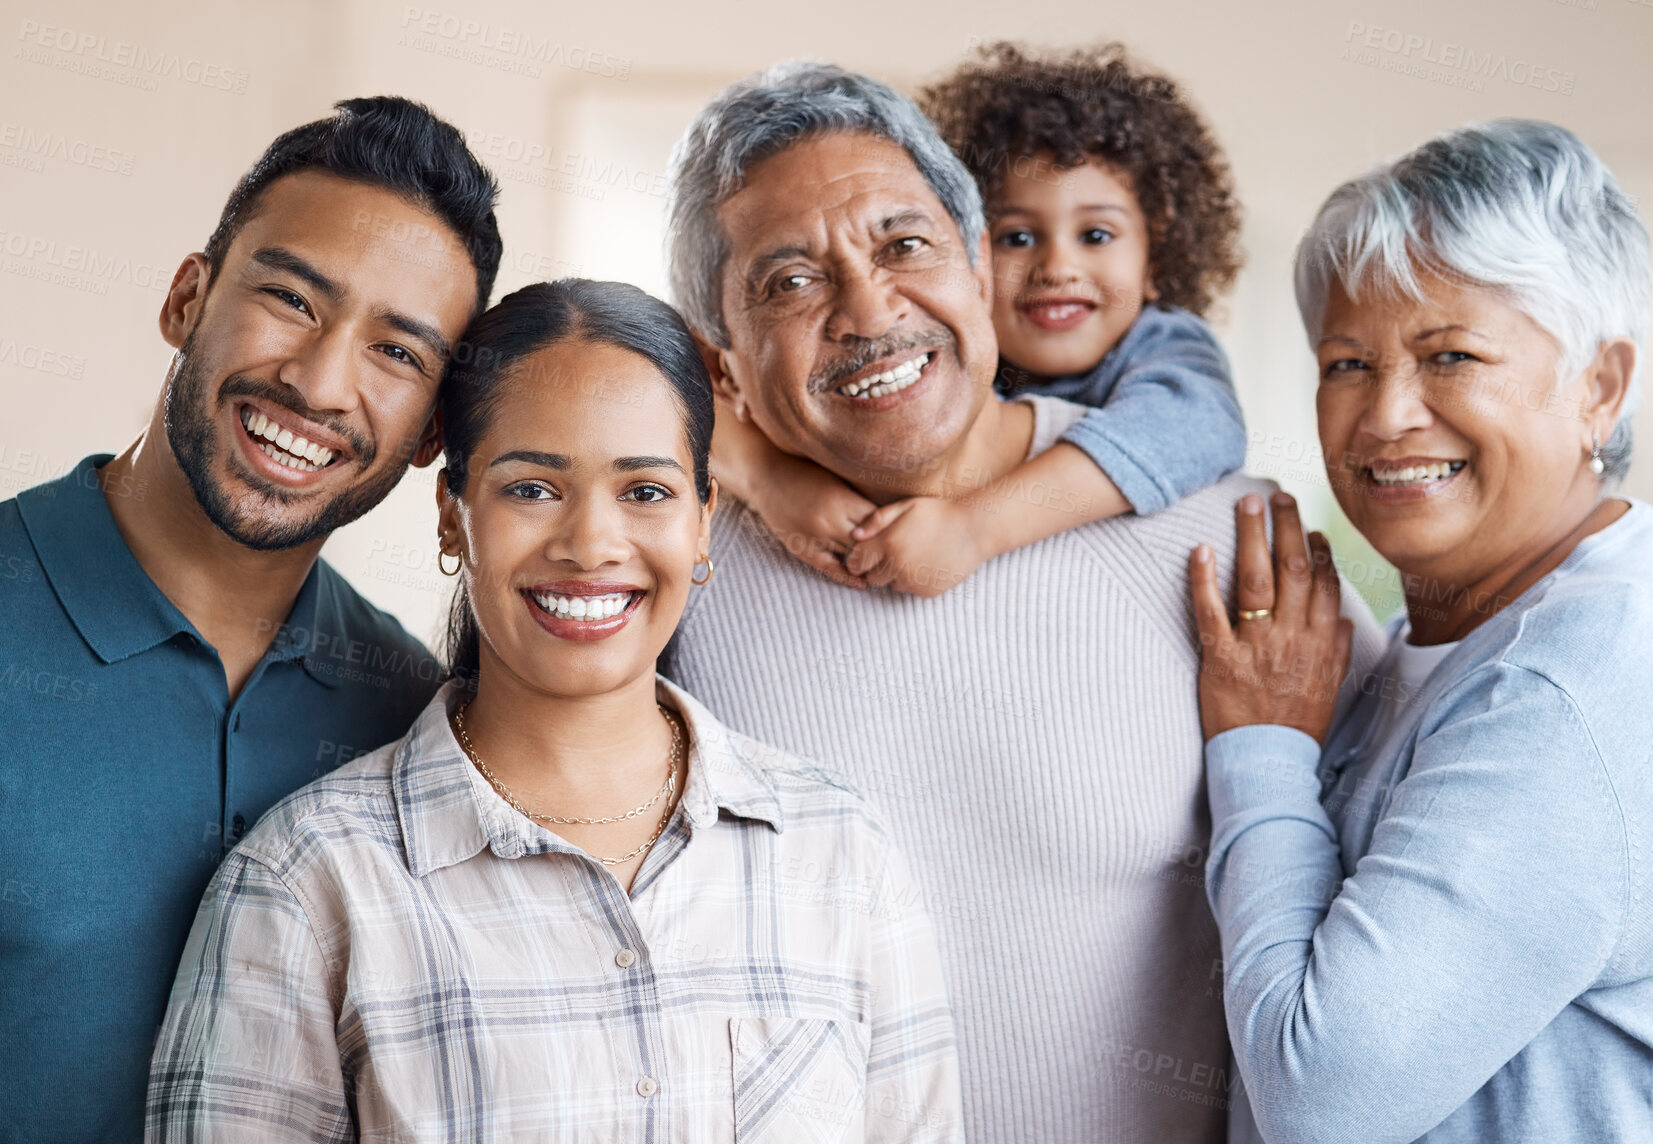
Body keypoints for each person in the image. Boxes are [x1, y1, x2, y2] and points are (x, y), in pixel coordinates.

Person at [660, 62, 1385, 1143]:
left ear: (971, 271)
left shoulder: (1231, 544)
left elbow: (1393, 958)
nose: (869, 309)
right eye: (788, 281)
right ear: (719, 357)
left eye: (905, 245)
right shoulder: (666, 578)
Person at [147, 279, 962, 1143]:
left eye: (645, 491)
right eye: (531, 488)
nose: (590, 545)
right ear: (453, 518)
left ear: (701, 523)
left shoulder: (838, 848)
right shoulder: (309, 882)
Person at [1189, 120, 1653, 1143]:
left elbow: (1320, 1103)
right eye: (1346, 362)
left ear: (1599, 387)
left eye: (1450, 356)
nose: (1385, 414)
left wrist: (1261, 744)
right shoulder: (1450, 631)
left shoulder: (1573, 685)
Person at [0, 96, 499, 1141]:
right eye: (291, 299)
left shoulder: (413, 722)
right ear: (188, 297)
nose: (319, 382)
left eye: (397, 354)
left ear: (428, 438)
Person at [710, 42, 1247, 596]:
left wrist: (975, 528)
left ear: (1155, 261)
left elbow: (1197, 429)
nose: (1058, 267)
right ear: (975, 262)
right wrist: (772, 479)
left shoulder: (1165, 345)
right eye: (1019, 237)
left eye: (1096, 236)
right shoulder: (937, 353)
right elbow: (680, 388)